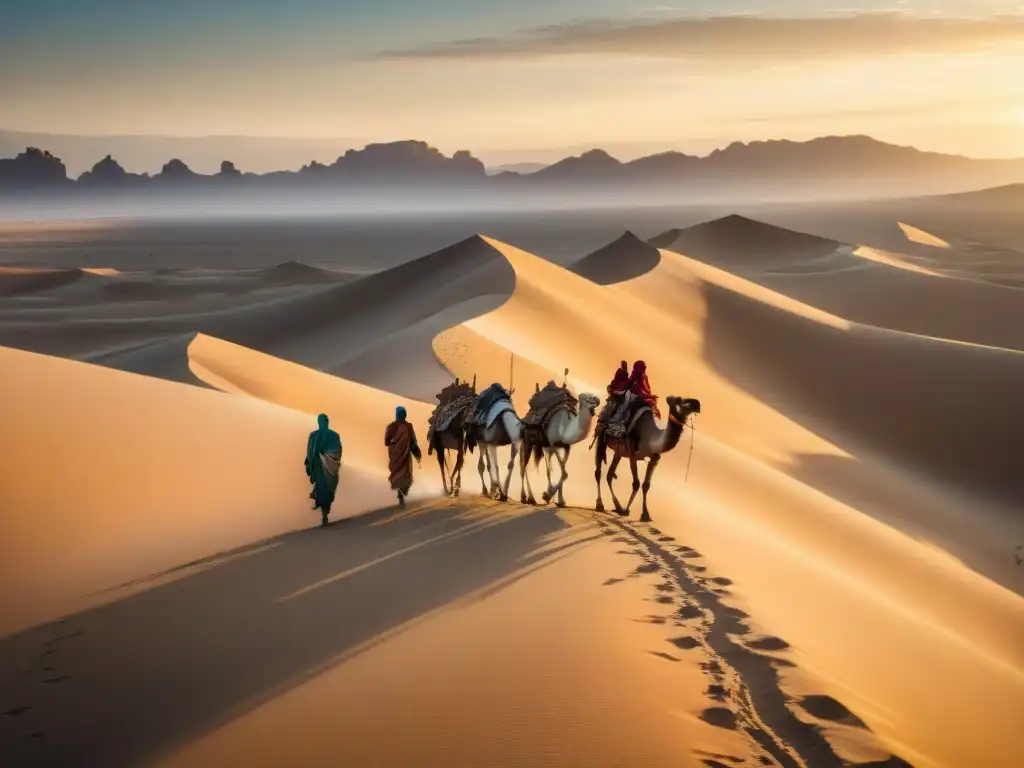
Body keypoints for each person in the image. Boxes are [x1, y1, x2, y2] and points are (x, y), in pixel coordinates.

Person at [305, 413, 343, 527]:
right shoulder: (334, 435)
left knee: (322, 487)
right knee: (327, 488)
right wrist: (331, 460)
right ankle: (325, 513)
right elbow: (338, 452)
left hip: (320, 468)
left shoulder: (314, 436)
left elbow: (310, 453)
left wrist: (309, 463)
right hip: (330, 468)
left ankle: (324, 512)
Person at [385, 405, 422, 506]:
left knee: (397, 473)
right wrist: (417, 453)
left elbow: (386, 442)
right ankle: (402, 491)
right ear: (405, 415)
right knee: (406, 475)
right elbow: (413, 441)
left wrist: (395, 443)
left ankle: (400, 492)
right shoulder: (408, 426)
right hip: (405, 455)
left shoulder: (391, 427)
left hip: (395, 455)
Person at [597, 360, 631, 428]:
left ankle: (604, 419)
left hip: (617, 391)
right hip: (623, 391)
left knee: (610, 404)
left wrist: (613, 387)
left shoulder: (620, 371)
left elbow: (616, 380)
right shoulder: (626, 373)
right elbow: (625, 382)